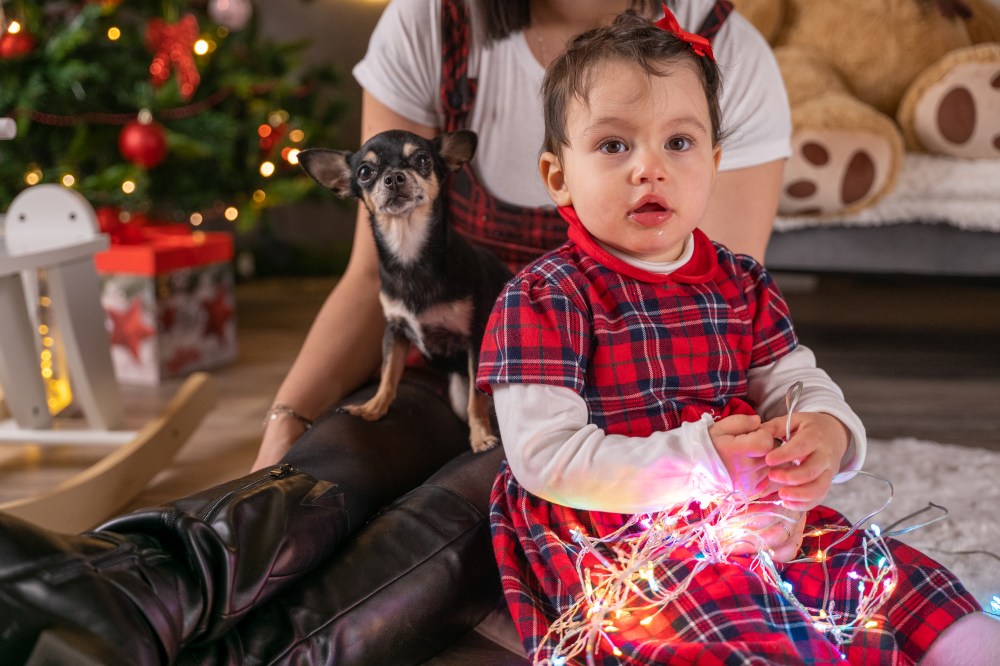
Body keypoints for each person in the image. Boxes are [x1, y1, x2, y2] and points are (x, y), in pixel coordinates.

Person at [0, 1, 825, 664]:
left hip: (609, 411)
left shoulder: (726, 52)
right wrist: (284, 429)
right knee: (342, 461)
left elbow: (711, 313)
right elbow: (372, 278)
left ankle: (236, 652)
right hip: (447, 364)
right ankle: (110, 594)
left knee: (465, 512)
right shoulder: (433, 24)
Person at [476, 10, 998, 664]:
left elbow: (792, 378)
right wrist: (698, 461)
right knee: (739, 625)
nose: (650, 169)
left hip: (751, 508)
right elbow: (545, 456)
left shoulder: (740, 282)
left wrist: (825, 430)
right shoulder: (545, 295)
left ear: (714, 162)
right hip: (623, 536)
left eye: (679, 143)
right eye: (614, 146)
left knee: (895, 585)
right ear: (558, 177)